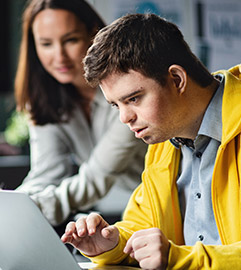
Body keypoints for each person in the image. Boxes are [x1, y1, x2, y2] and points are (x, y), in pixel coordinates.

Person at [61, 13, 241, 269]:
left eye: (134, 98)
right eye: (116, 105)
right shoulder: (165, 142)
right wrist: (111, 244)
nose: (124, 117)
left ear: (177, 79)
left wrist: (179, 259)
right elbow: (143, 225)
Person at [14, 0, 147, 226]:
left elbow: (97, 177)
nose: (59, 56)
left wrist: (30, 210)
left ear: (94, 34)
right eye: (46, 44)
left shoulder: (128, 90)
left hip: (159, 211)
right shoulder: (45, 98)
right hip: (114, 217)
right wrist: (11, 204)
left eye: (71, 40)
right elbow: (46, 174)